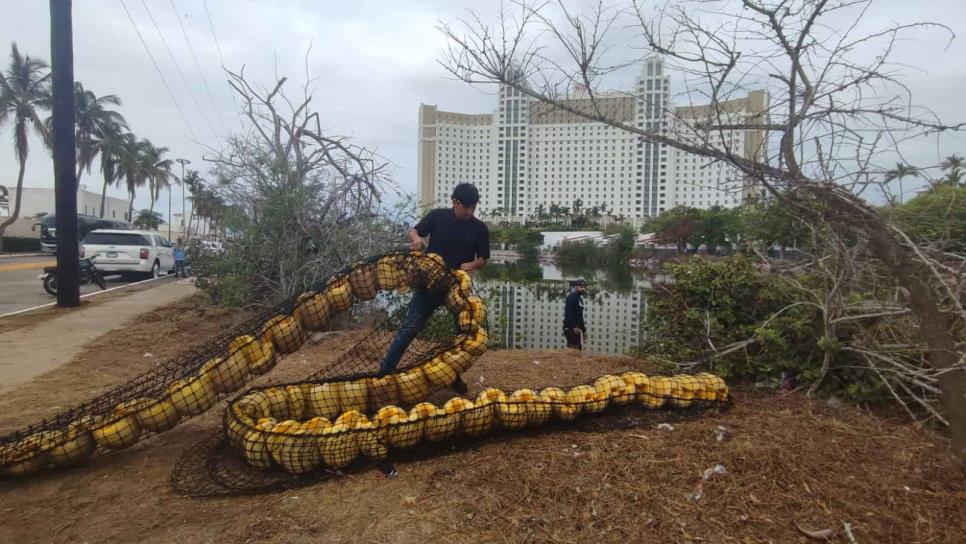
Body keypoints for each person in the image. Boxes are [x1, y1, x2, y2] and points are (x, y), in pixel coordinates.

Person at [376, 183, 490, 394]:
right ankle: (382, 375)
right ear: (455, 202)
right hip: (428, 284)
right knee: (408, 329)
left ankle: (453, 377)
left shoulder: (480, 229)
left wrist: (472, 265)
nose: (471, 211)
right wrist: (417, 240)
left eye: (474, 207)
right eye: (467, 207)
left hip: (456, 288)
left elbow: (483, 258)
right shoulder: (437, 217)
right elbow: (415, 231)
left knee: (462, 337)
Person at [563, 279, 587, 350]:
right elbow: (568, 312)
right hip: (570, 327)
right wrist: (574, 326)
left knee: (576, 348)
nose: (583, 288)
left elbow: (580, 317)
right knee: (575, 349)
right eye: (581, 286)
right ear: (576, 287)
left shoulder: (580, 299)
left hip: (576, 328)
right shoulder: (571, 297)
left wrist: (583, 330)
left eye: (584, 287)